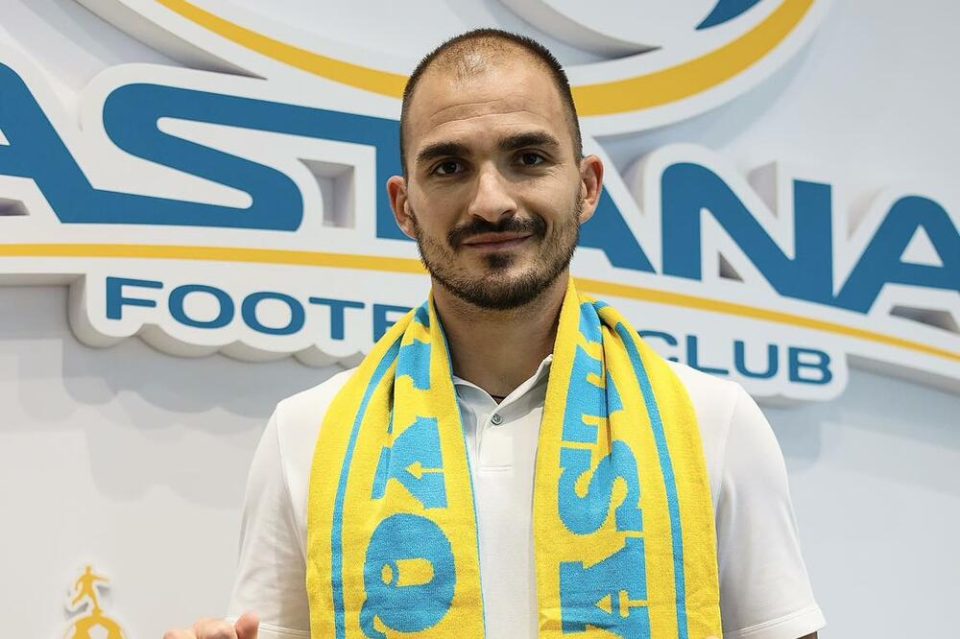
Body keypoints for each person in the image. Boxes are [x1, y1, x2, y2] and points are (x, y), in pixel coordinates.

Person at [164, 29, 824, 639]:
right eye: (449, 167)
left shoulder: (712, 422)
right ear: (403, 206)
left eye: (528, 158)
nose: (491, 203)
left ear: (587, 187)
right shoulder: (305, 434)